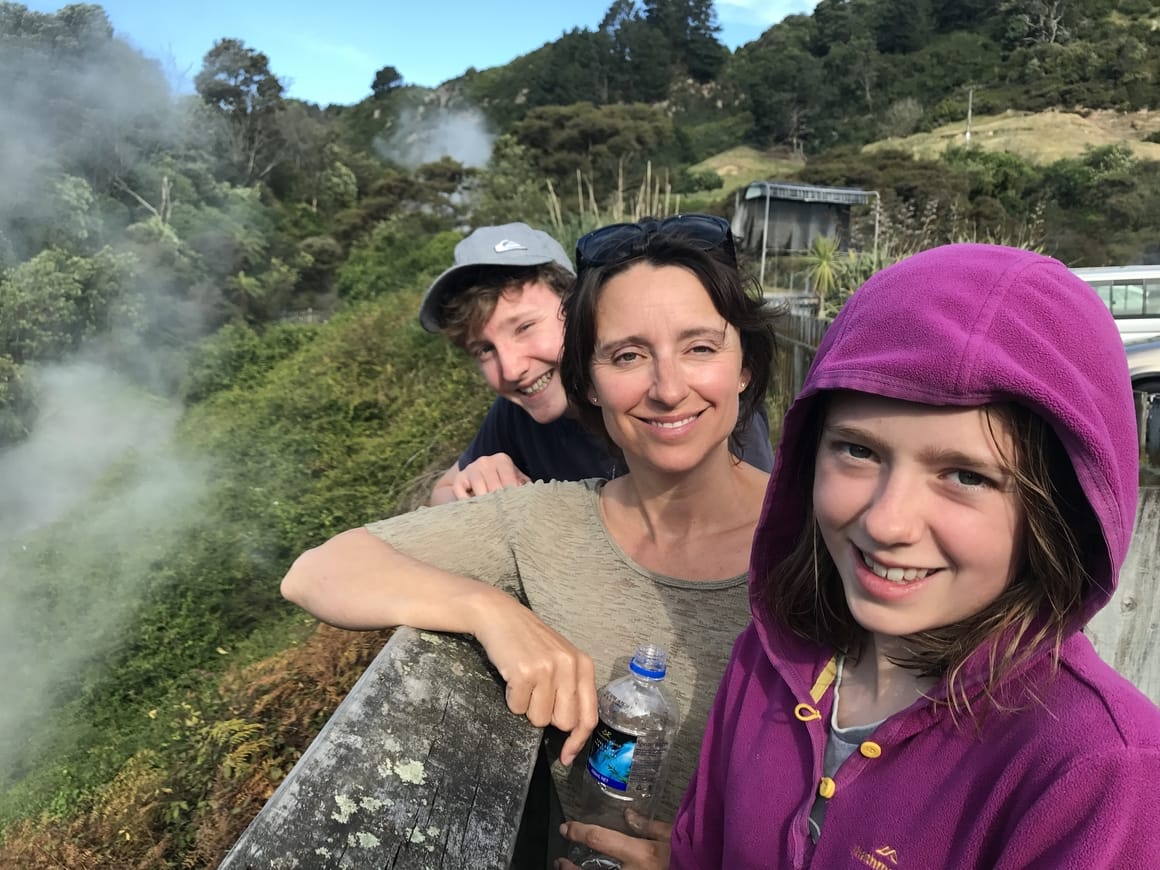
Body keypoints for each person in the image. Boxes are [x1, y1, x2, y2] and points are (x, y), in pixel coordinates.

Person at [280, 215, 780, 864]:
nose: (667, 388)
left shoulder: (811, 546)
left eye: (700, 348)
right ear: (592, 374)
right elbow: (321, 568)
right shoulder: (541, 502)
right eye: (627, 355)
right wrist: (488, 607)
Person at [669, 243, 1160, 868]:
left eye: (965, 476)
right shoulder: (770, 660)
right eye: (857, 451)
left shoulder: (1100, 770)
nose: (885, 521)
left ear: (1058, 511)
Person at [418, 222, 774, 504]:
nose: (511, 369)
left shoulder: (700, 405)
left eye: (525, 327)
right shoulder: (516, 415)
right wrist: (476, 483)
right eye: (484, 349)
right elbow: (443, 491)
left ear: (581, 314)